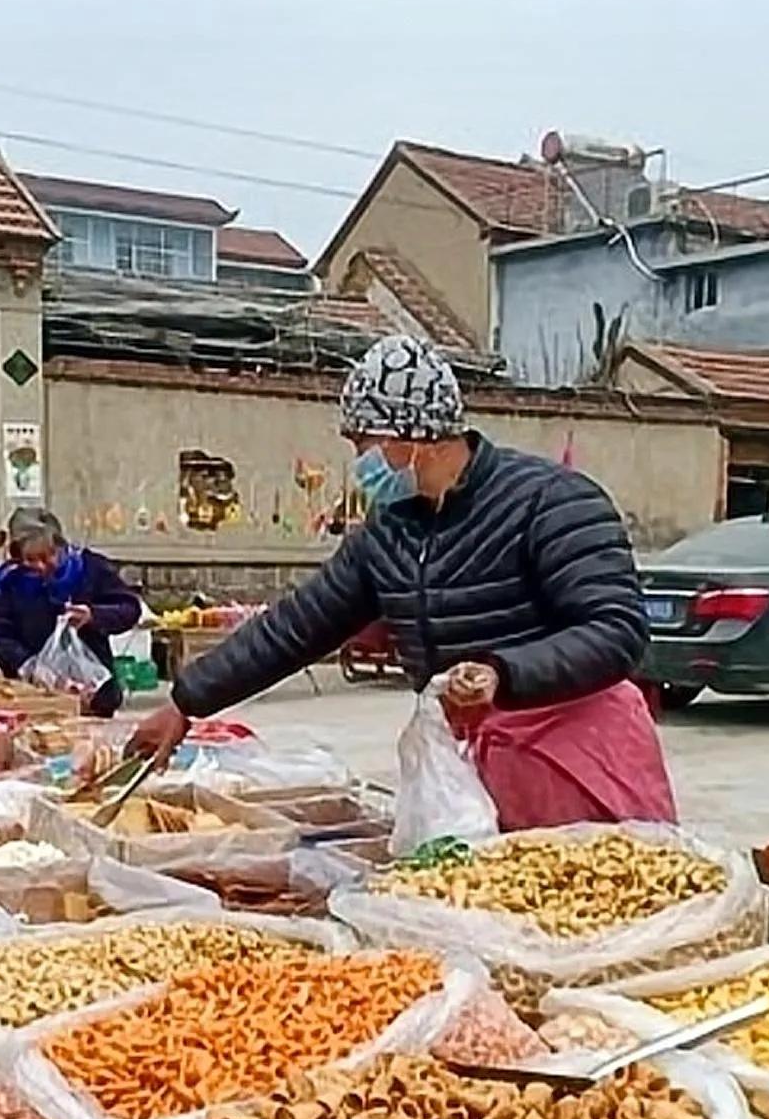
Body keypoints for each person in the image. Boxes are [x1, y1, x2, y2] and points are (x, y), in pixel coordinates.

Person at [127, 334, 677, 828]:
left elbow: (617, 631)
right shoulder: (388, 534)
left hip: (574, 753)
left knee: (595, 909)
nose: (358, 461)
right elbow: (295, 628)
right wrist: (186, 701)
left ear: (416, 436)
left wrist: (502, 673)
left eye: (362, 442)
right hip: (472, 761)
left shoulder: (551, 502)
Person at [0, 506, 143, 718]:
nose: (40, 566)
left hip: (92, 695)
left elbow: (129, 608)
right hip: (33, 698)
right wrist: (26, 665)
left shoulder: (90, 568)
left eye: (47, 556)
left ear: (60, 545)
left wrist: (94, 615)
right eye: (30, 559)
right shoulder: (5, 583)